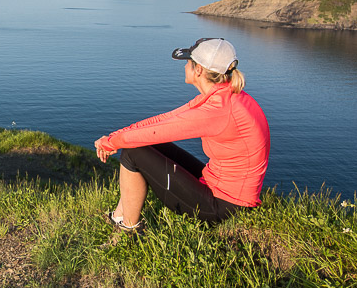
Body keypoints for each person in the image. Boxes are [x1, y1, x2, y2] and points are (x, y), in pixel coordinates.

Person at [94, 38, 270, 231]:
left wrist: (111, 143)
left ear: (199, 70)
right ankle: (118, 217)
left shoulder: (218, 111)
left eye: (188, 61)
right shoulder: (225, 96)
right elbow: (163, 121)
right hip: (218, 187)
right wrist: (113, 137)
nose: (185, 65)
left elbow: (157, 131)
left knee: (132, 153)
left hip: (224, 207)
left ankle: (126, 231)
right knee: (145, 146)